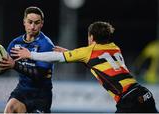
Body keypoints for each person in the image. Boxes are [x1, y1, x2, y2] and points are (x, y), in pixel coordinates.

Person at [11, 21, 158, 113]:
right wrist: (71, 53)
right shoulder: (115, 48)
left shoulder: (89, 51)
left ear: (92, 37)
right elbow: (98, 63)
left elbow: (56, 57)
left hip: (128, 100)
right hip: (144, 93)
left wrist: (30, 55)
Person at [0, 6, 55, 113]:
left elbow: (39, 75)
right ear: (24, 22)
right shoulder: (15, 43)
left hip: (41, 95)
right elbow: (4, 67)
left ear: (41, 24)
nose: (32, 26)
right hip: (22, 91)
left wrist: (14, 65)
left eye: (37, 23)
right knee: (10, 109)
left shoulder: (46, 45)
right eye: (30, 22)